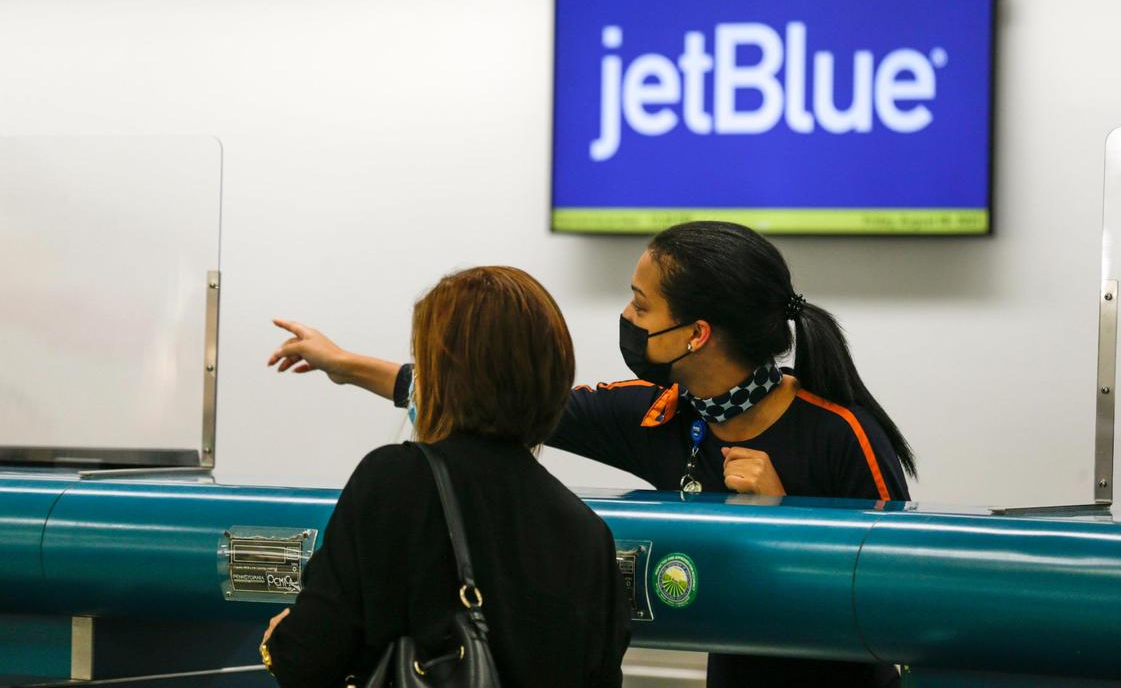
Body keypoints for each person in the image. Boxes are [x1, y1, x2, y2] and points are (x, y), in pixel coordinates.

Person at [268, 221, 915, 688]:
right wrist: (343, 363)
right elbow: (488, 393)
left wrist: (788, 516)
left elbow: (898, 595)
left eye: (641, 303)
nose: (628, 316)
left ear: (696, 333)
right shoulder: (657, 411)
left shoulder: (841, 434)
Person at [260, 266, 630, 688]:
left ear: (441, 376)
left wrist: (277, 643)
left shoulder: (395, 480)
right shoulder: (588, 534)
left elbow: (309, 655)